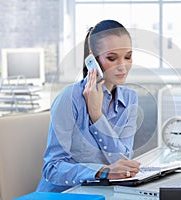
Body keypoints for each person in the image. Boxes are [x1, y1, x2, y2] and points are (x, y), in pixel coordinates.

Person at [36, 19, 140, 192]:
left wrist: (97, 116)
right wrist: (102, 172)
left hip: (101, 192)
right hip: (63, 194)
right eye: (112, 58)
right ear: (92, 59)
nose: (123, 66)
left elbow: (123, 158)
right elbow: (52, 168)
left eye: (128, 57)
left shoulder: (130, 99)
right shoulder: (69, 98)